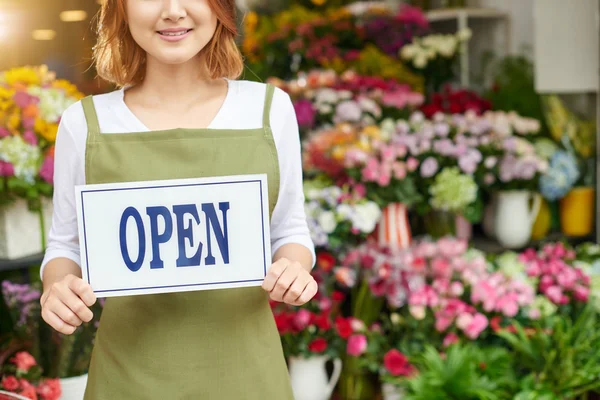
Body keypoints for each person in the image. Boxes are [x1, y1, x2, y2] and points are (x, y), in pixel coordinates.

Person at [39, 0, 317, 398]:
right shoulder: (84, 123)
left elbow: (288, 227)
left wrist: (292, 268)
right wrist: (58, 286)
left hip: (248, 375)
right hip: (128, 377)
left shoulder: (269, 110)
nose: (173, 11)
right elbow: (67, 243)